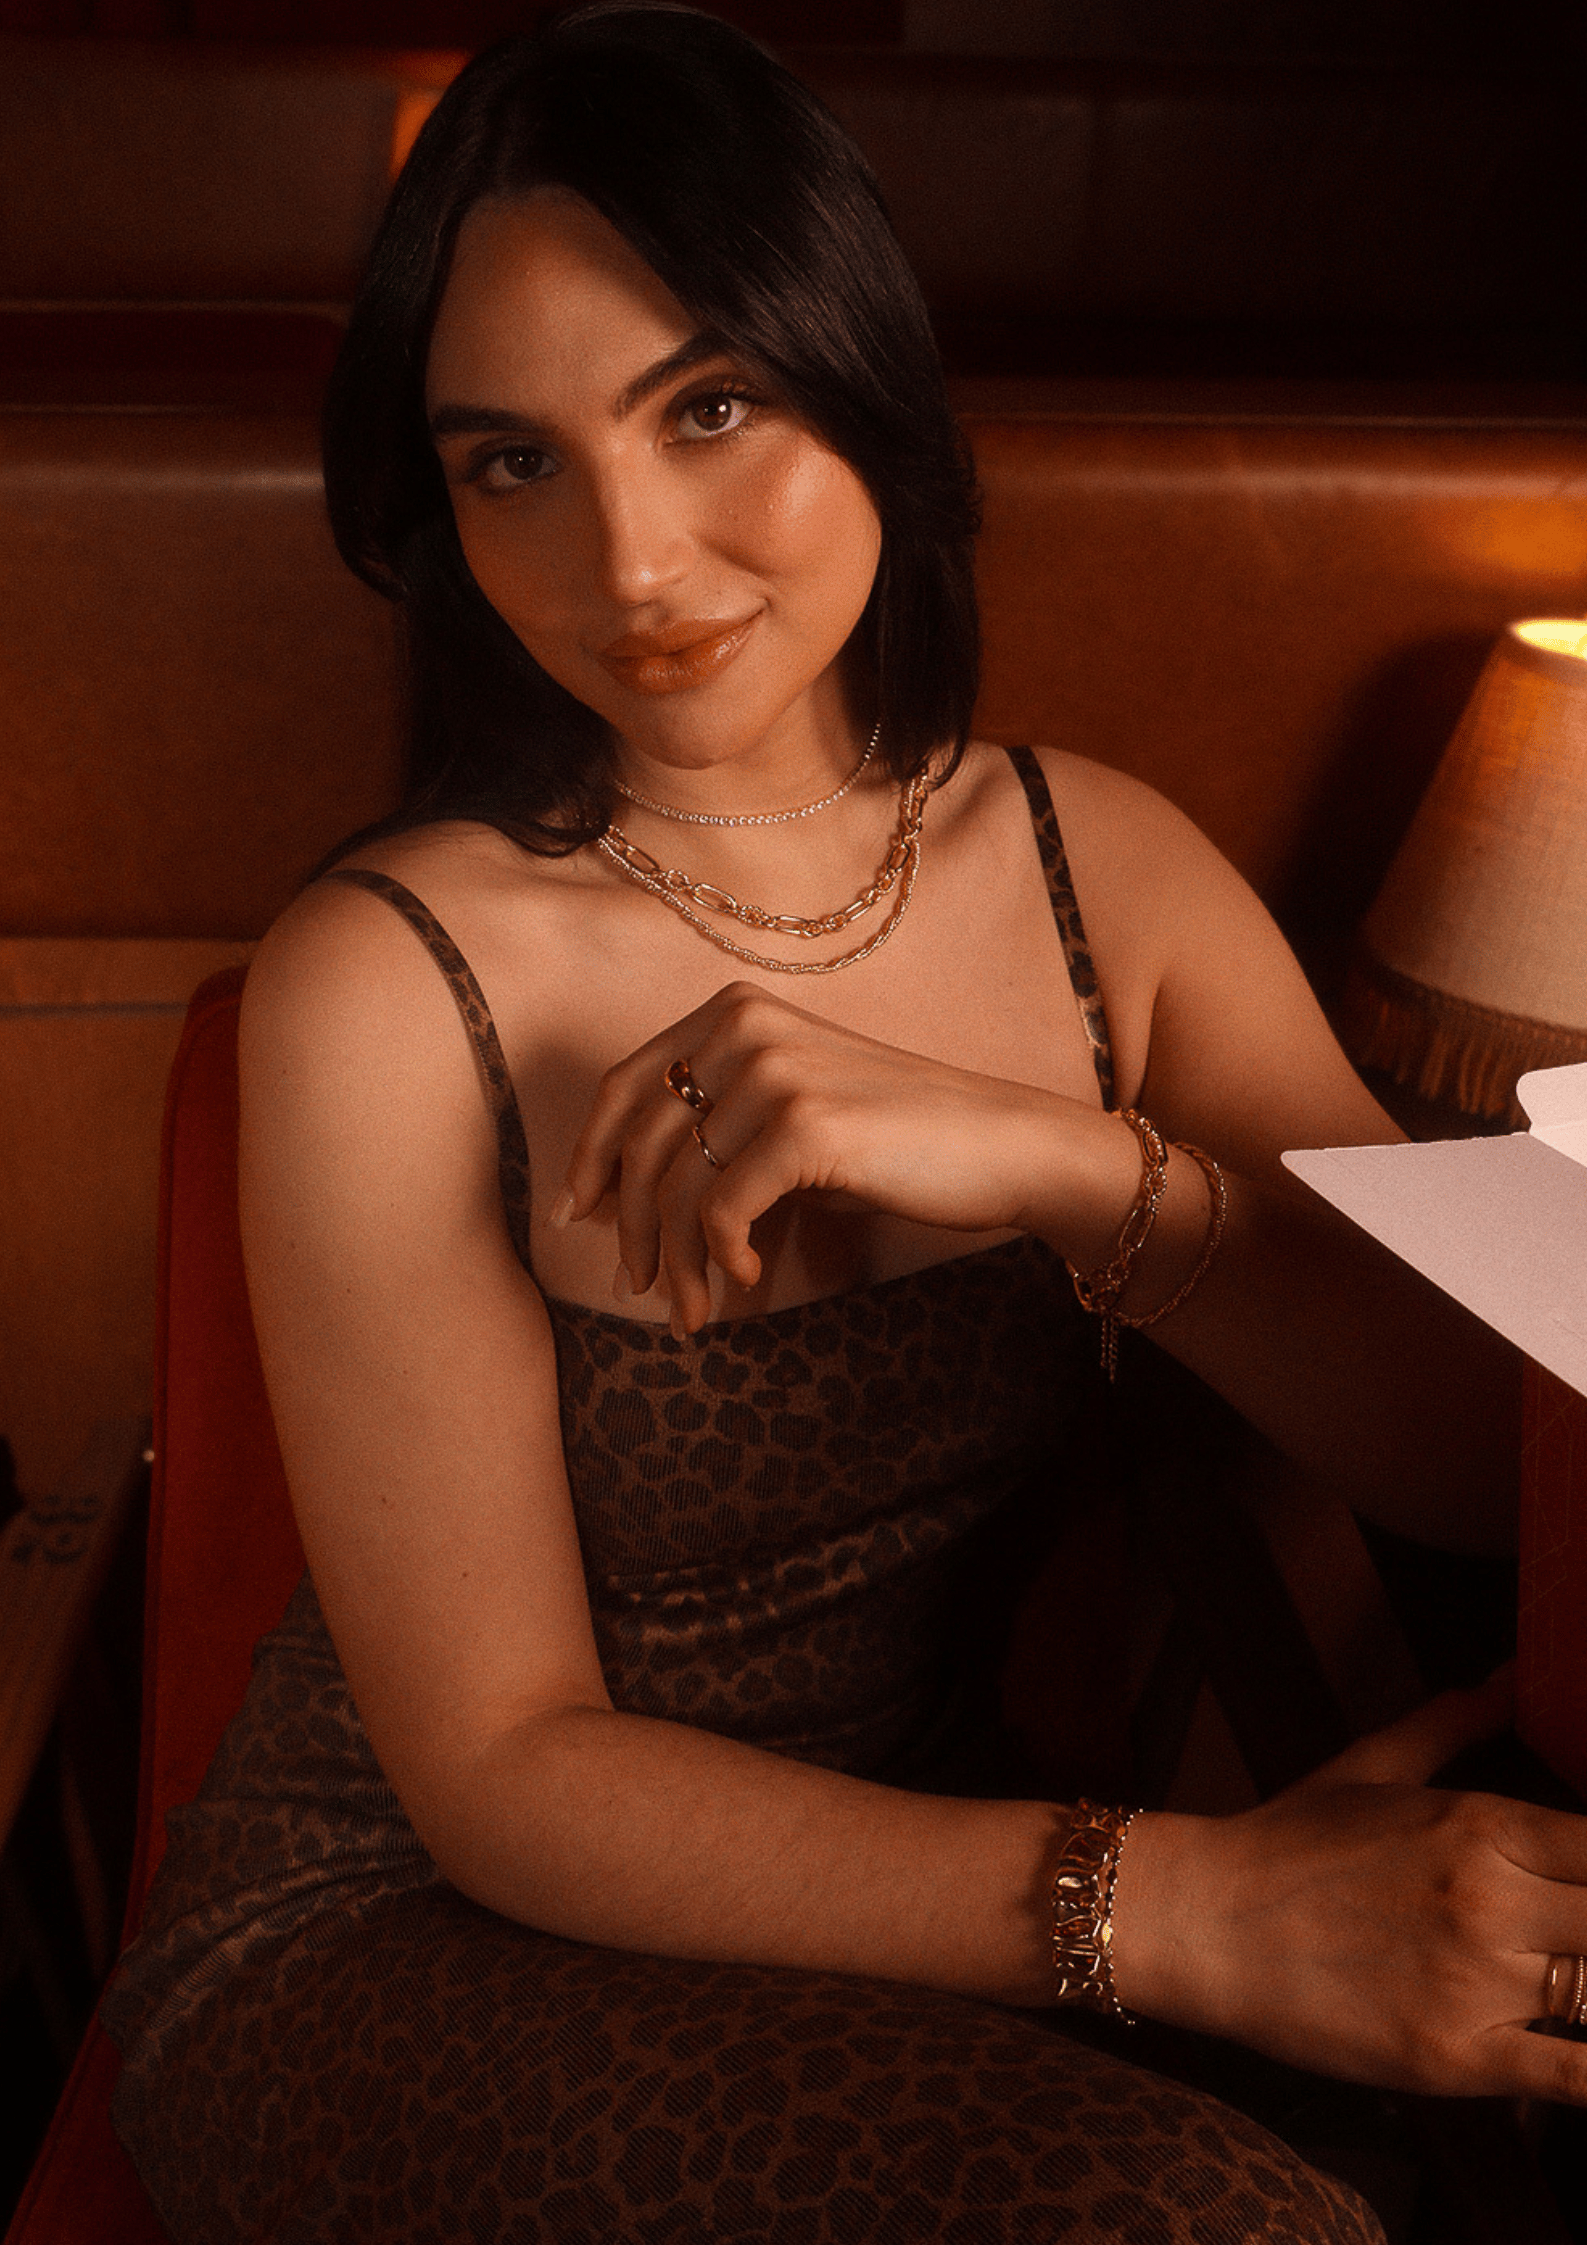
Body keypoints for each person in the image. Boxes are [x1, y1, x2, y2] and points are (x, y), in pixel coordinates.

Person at [102, 7, 1583, 2240]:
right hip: (397, 1940)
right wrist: (1184, 1915)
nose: (629, 555)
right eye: (513, 460)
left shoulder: (1109, 876)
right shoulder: (389, 980)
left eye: (709, 405)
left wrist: (1065, 1164)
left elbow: (1475, 1454)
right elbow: (503, 1774)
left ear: (858, 372)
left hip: (914, 1891)